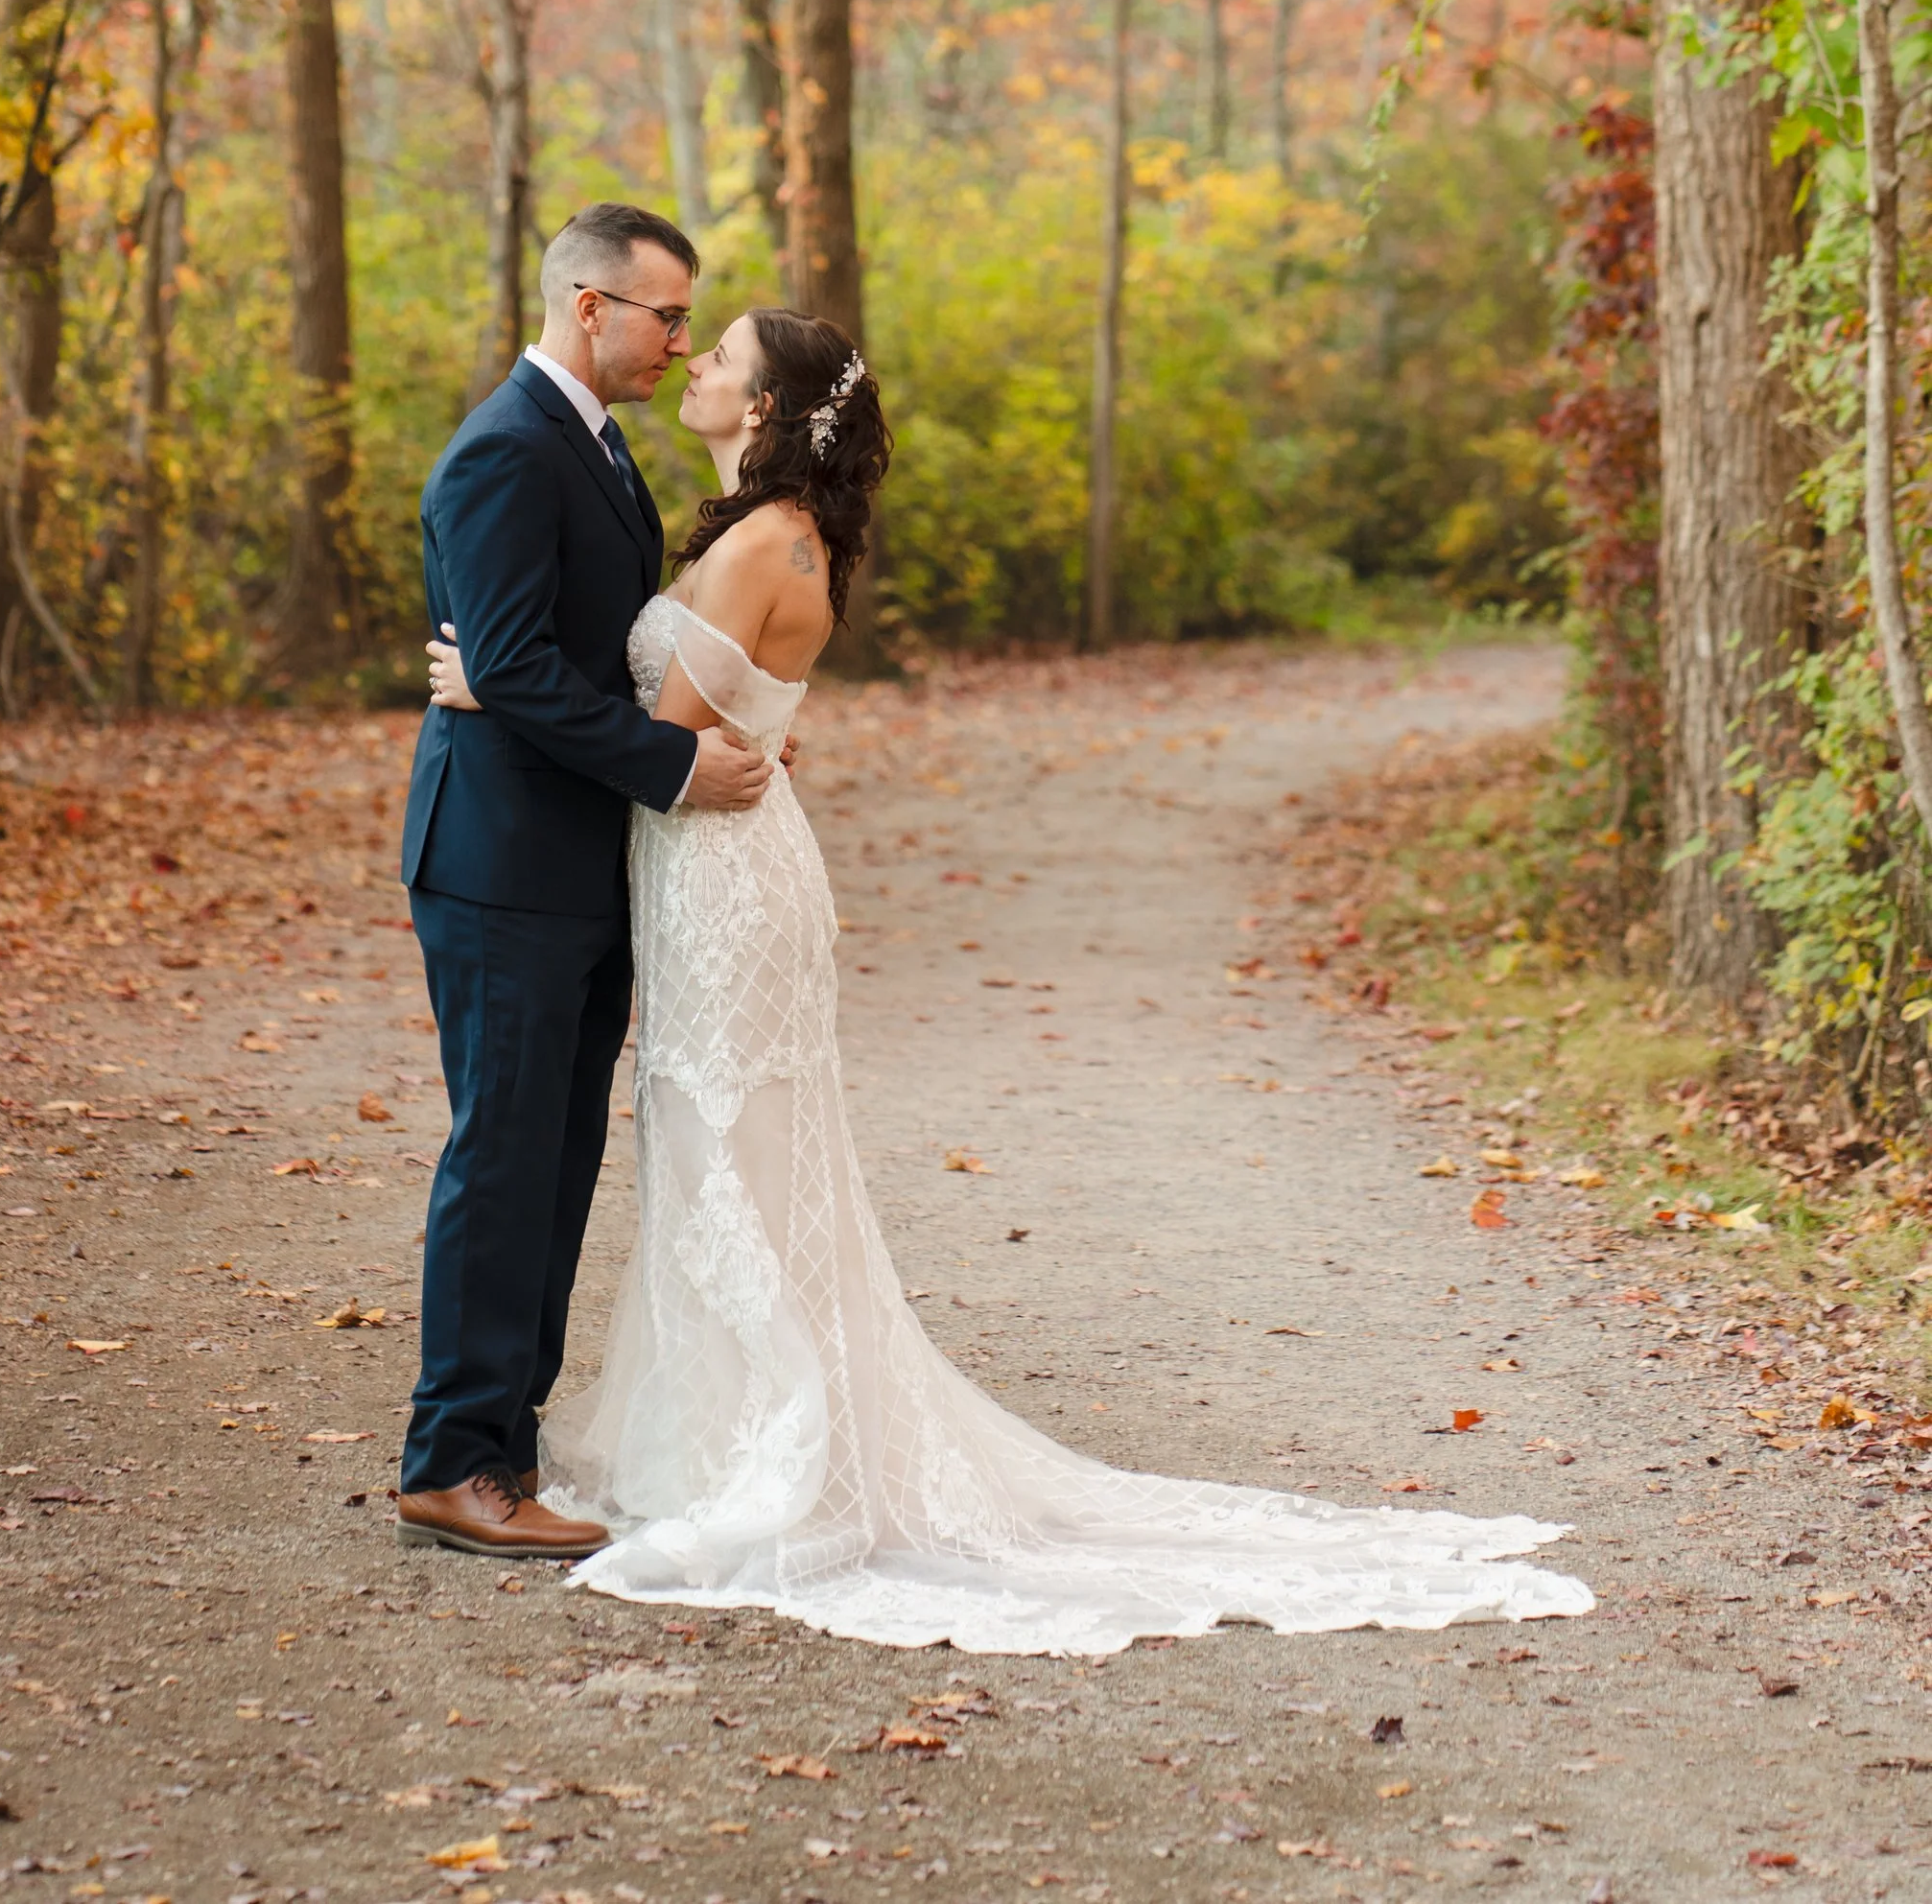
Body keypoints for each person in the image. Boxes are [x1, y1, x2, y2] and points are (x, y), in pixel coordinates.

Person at [428, 303, 1596, 1654]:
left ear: (765, 408)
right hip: (718, 870)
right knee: (725, 1152)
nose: (695, 363)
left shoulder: (760, 542)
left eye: (722, 356)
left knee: (729, 1156)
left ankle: (774, 1454)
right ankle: (738, 1433)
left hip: (724, 879)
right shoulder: (771, 531)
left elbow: (660, 732)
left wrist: (489, 691)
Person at [396, 202, 774, 1562]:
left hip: (576, 863)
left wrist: (507, 681)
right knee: (504, 1158)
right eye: (669, 315)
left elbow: (533, 657)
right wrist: (674, 767)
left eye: (689, 321)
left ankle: (505, 1441)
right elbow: (513, 658)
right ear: (588, 304)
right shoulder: (506, 447)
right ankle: (451, 1460)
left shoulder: (598, 449)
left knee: (558, 1160)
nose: (681, 339)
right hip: (501, 867)